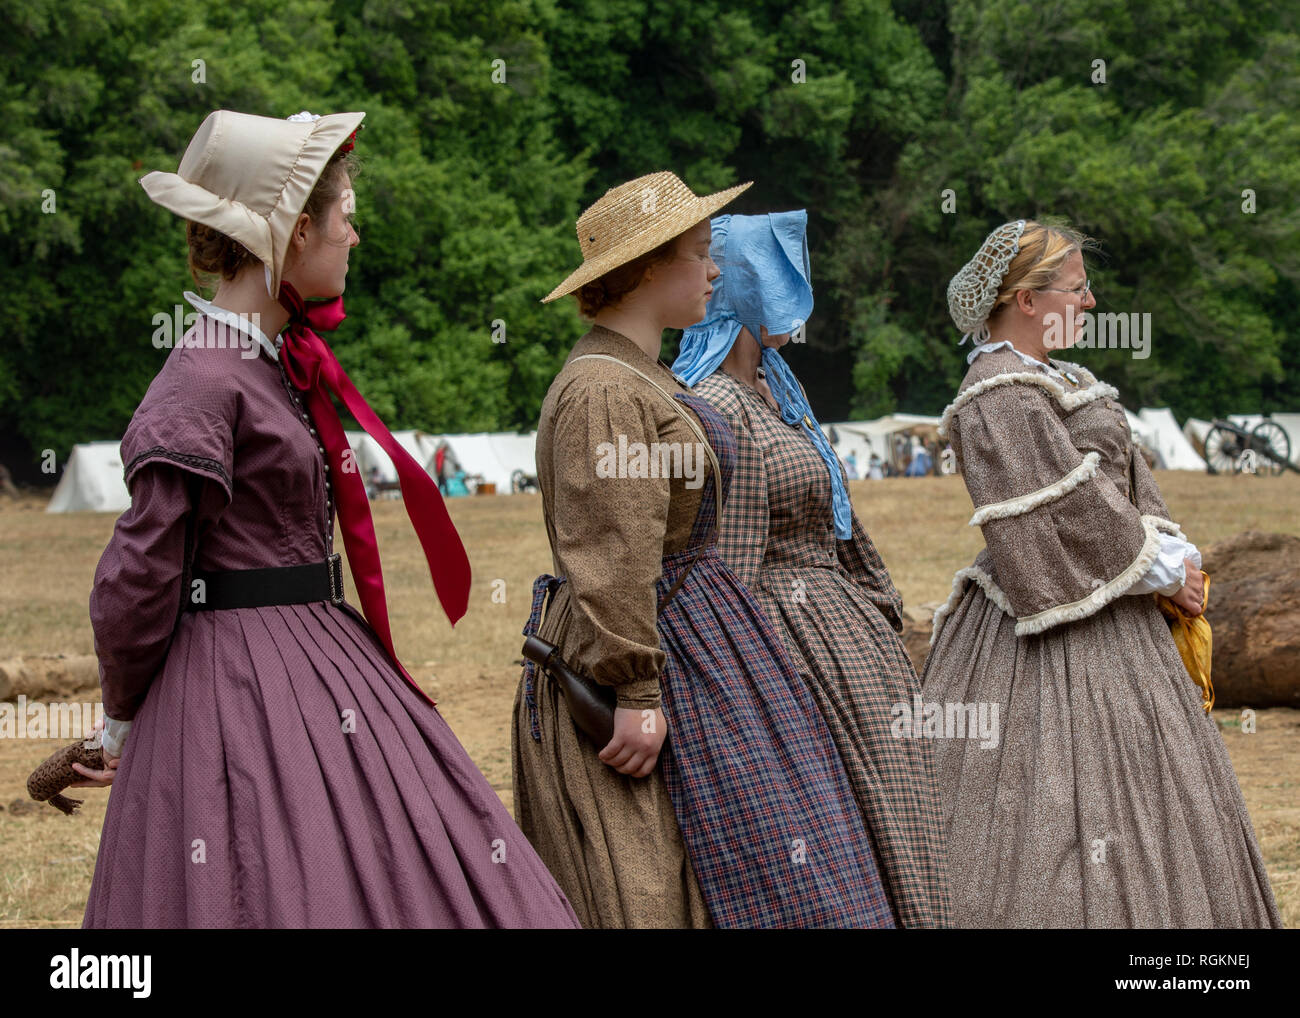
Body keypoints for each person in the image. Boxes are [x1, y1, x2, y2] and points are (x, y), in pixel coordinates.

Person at [74, 109, 579, 929]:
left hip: (319, 655)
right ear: (298, 229)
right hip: (235, 686)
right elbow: (138, 574)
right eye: (346, 214)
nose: (355, 233)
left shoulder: (264, 362)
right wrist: (123, 721)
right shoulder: (202, 379)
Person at [513, 172, 896, 928]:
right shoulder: (602, 389)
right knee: (658, 879)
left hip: (705, 640)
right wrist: (638, 695)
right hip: (644, 656)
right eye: (698, 254)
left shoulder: (643, 377)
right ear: (649, 267)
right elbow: (613, 551)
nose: (716, 271)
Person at [923, 218, 1281, 927]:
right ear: (1026, 298)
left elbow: (1120, 490)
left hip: (1120, 620)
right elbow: (1055, 517)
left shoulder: (1062, 380)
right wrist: (1156, 568)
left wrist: (1168, 558)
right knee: (1045, 812)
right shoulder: (996, 393)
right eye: (1077, 288)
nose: (1089, 303)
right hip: (1044, 627)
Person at [675, 211, 950, 928]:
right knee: (851, 833)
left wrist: (877, 602)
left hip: (850, 641)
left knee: (908, 822)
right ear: (744, 287)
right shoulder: (715, 406)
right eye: (778, 277)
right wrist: (753, 675)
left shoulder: (781, 389)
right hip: (794, 651)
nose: (798, 294)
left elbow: (840, 517)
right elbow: (725, 565)